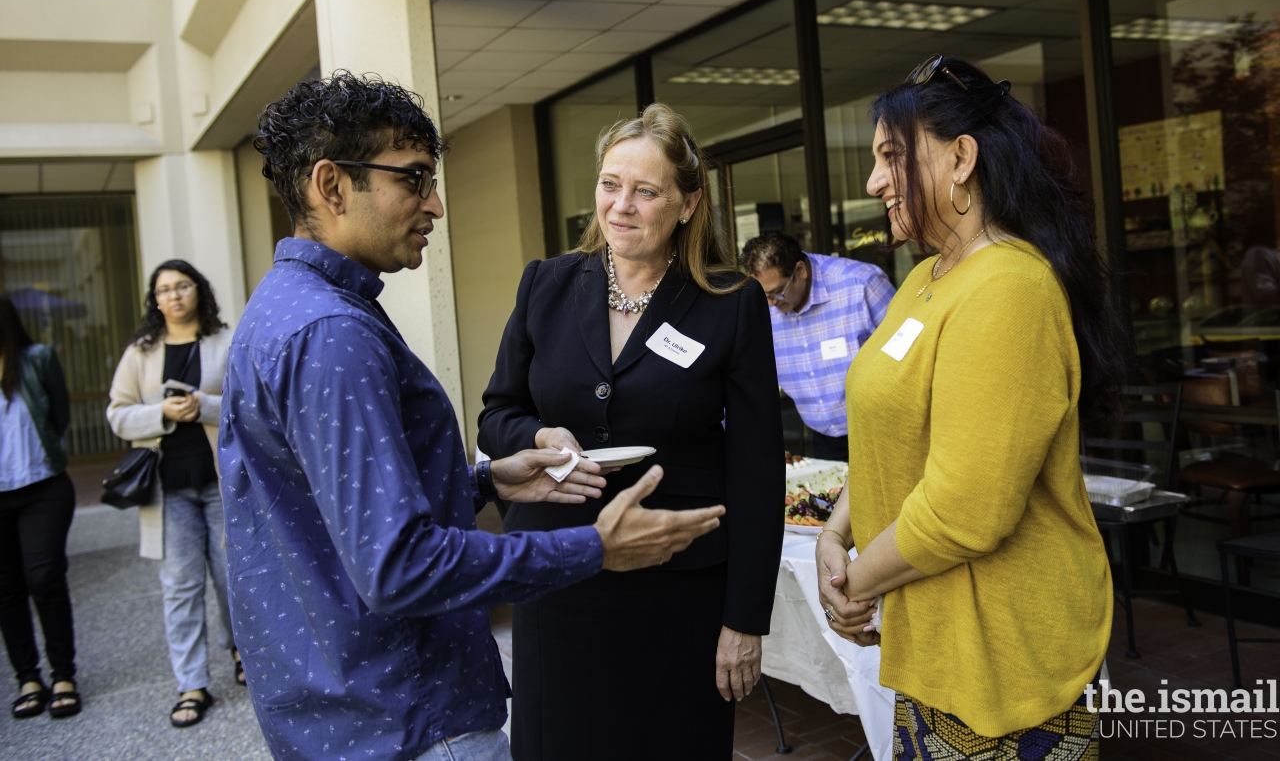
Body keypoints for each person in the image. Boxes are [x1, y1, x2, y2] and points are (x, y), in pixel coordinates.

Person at [222, 72, 724, 761]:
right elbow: (399, 566)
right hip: (406, 715)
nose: (435, 204)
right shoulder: (331, 335)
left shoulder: (286, 307)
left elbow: (335, 513)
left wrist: (487, 482)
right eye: (414, 179)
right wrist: (596, 548)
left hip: (346, 707)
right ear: (331, 185)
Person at [817, 55, 1125, 760]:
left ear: (961, 158)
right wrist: (837, 535)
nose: (872, 182)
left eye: (892, 157)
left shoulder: (1008, 288)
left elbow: (965, 507)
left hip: (1006, 661)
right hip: (937, 643)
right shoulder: (924, 278)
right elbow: (887, 434)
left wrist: (852, 585)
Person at [479, 103, 784, 761]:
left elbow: (757, 470)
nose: (621, 205)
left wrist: (744, 620)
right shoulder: (547, 284)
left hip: (677, 591)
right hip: (561, 578)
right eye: (610, 184)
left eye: (646, 191)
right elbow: (498, 414)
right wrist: (536, 438)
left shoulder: (730, 302)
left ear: (687, 203)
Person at [107, 260, 237, 728]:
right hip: (167, 491)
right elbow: (117, 415)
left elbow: (249, 405)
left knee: (231, 577)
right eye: (164, 290)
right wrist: (160, 412)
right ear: (155, 300)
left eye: (182, 286)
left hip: (223, 483)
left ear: (198, 291)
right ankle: (191, 683)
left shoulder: (224, 342)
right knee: (180, 587)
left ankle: (241, 650)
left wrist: (203, 406)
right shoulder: (141, 352)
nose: (174, 296)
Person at [740, 231, 894, 461]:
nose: (770, 304)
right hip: (824, 440)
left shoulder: (862, 284)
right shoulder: (763, 306)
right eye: (764, 295)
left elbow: (908, 357)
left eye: (776, 292)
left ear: (800, 270)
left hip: (883, 435)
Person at [0, 294, 80, 719]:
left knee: (44, 577)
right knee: (6, 588)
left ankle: (63, 674)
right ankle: (28, 678)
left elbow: (60, 417)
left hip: (43, 486)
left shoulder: (37, 358)